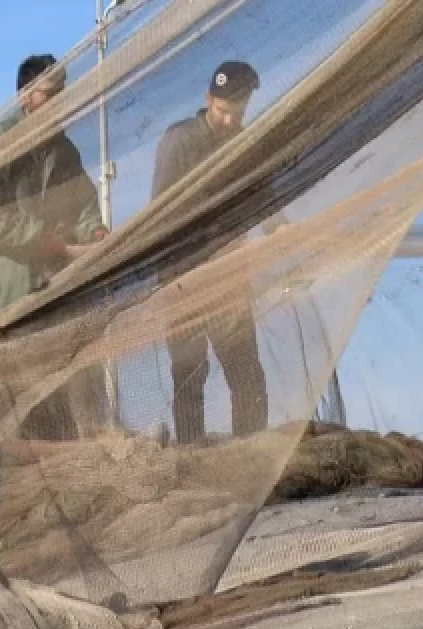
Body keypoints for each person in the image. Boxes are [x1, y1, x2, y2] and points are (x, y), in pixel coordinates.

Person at [0, 53, 111, 439]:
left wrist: (95, 234)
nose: (60, 100)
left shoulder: (62, 150)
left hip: (54, 283)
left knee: (65, 382)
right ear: (25, 96)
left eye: (63, 91)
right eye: (51, 93)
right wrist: (45, 241)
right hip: (9, 289)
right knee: (23, 397)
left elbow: (82, 204)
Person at [152, 60, 271, 444]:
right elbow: (162, 217)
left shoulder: (245, 144)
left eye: (236, 113)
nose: (227, 121)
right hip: (182, 279)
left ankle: (250, 459)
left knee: (246, 374)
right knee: (189, 375)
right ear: (208, 99)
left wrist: (285, 232)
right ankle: (190, 459)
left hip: (229, 280)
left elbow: (266, 200)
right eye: (222, 112)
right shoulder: (180, 141)